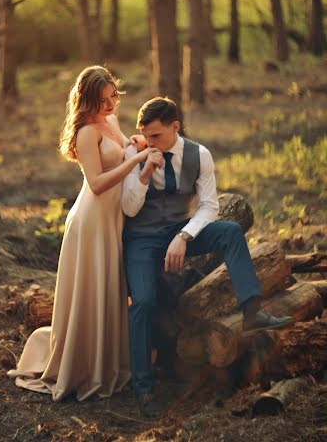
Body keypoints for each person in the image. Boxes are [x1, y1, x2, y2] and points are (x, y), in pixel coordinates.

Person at [122, 97, 291, 418]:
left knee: (228, 231)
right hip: (141, 239)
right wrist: (144, 171)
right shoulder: (135, 151)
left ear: (175, 127)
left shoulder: (199, 155)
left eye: (156, 136)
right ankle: (143, 388)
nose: (150, 141)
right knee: (142, 301)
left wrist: (184, 237)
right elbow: (128, 208)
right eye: (145, 134)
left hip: (177, 229)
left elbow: (210, 206)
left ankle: (252, 309)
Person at [8, 66, 160, 401]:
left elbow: (123, 147)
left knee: (110, 288)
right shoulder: (86, 133)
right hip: (90, 220)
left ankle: (108, 360)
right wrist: (134, 163)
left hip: (113, 220)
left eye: (113, 97)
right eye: (103, 100)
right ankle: (84, 364)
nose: (110, 105)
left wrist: (135, 144)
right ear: (87, 100)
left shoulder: (111, 121)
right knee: (92, 288)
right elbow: (97, 183)